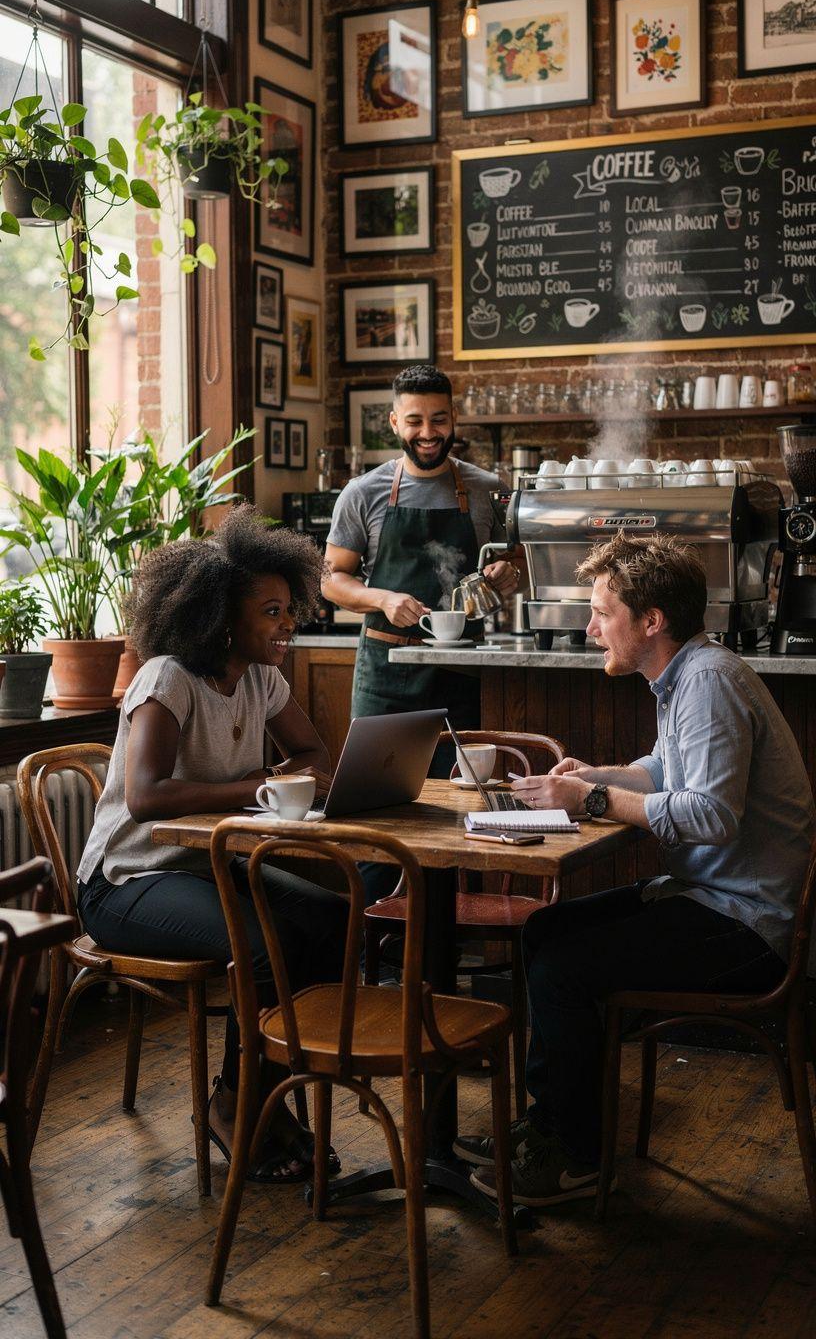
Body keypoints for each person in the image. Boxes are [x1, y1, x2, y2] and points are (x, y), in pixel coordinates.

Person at [461, 532, 815, 1208]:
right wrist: (590, 776)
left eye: (602, 612)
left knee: (565, 965)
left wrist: (590, 800)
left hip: (746, 926)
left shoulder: (707, 681)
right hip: (708, 897)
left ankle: (577, 1158)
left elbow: (711, 815)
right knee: (545, 932)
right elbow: (663, 770)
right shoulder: (687, 674)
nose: (591, 627)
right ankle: (551, 1130)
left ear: (651, 622)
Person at [76, 506, 348, 1182]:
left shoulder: (260, 677)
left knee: (331, 919)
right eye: (273, 611)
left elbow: (313, 752)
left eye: (291, 608)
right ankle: (236, 1104)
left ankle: (265, 1095)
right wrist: (262, 785)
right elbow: (146, 796)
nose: (289, 624)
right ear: (224, 616)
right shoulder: (169, 677)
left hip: (203, 867)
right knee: (264, 945)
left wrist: (295, 774)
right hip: (124, 882)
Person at [322, 363, 522, 900]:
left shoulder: (486, 492)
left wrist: (509, 574)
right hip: (385, 679)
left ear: (454, 418)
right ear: (394, 422)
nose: (428, 433)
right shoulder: (362, 494)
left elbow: (517, 564)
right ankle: (371, 964)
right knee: (377, 827)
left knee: (460, 817)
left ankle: (439, 954)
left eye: (439, 419)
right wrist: (383, 598)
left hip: (462, 677)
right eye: (415, 421)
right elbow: (333, 580)